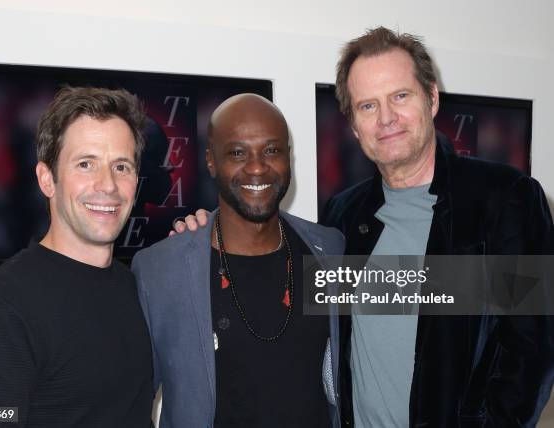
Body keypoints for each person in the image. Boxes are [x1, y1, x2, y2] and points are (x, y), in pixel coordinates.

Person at [175, 28, 554, 427]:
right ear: (354, 125)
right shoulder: (343, 214)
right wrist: (204, 233)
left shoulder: (507, 199)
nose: (386, 118)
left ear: (432, 97)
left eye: (400, 96)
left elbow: (531, 350)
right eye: (368, 106)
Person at [0, 87, 154, 427]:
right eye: (86, 164)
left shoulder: (136, 288)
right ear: (46, 179)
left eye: (121, 166)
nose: (108, 185)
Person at [132, 93, 345, 428]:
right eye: (237, 152)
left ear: (289, 158)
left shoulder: (330, 250)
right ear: (211, 161)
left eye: (271, 150)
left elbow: (433, 295)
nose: (257, 166)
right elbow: (131, 402)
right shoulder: (160, 271)